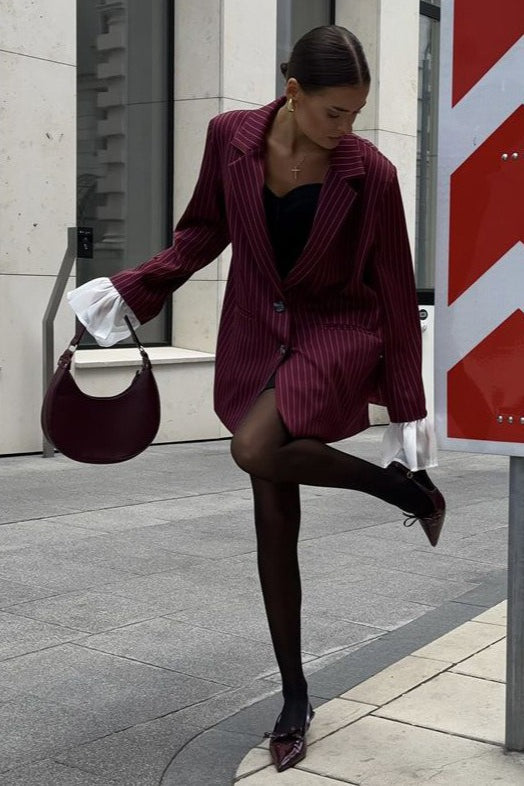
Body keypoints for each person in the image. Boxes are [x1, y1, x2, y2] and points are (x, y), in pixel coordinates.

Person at [68, 25, 445, 774]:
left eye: (358, 113)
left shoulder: (370, 171)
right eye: (336, 112)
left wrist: (408, 406)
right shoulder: (228, 138)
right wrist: (132, 289)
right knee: (273, 511)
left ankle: (402, 488)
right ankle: (295, 695)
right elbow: (203, 230)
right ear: (294, 91)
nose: (348, 129)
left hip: (337, 329)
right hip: (254, 333)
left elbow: (396, 290)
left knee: (255, 447)